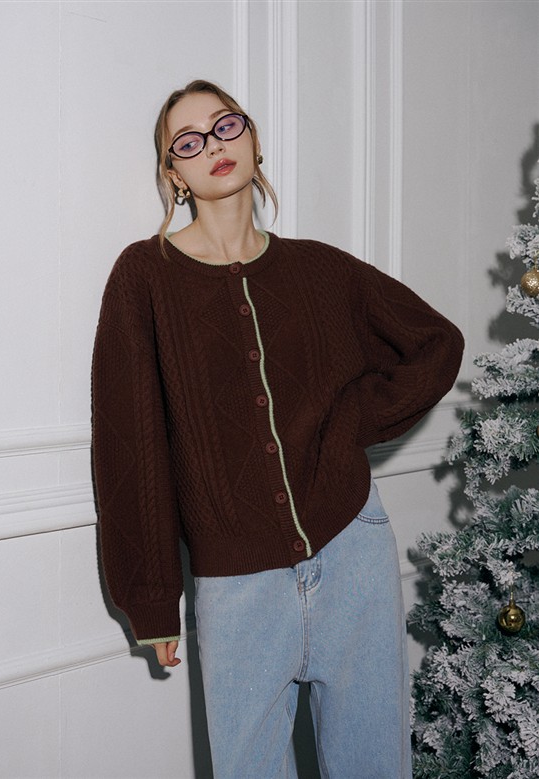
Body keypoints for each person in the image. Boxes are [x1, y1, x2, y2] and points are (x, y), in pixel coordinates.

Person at [91, 79, 464, 779]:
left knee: (374, 766)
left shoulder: (319, 269)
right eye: (189, 141)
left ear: (253, 137)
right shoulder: (146, 277)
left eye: (226, 125)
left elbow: (435, 342)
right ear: (174, 174)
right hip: (236, 583)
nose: (214, 144)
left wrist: (351, 420)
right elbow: (129, 445)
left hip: (352, 548)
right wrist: (151, 596)